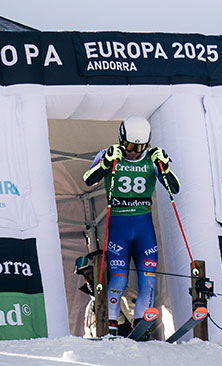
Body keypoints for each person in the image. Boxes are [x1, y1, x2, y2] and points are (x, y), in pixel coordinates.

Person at [83, 115, 180, 336]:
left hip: (143, 228)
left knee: (148, 277)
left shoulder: (152, 158)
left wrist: (164, 167)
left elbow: (174, 188)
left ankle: (141, 323)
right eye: (129, 146)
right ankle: (110, 325)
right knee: (119, 278)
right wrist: (105, 163)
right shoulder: (110, 153)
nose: (134, 152)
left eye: (140, 147)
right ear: (121, 139)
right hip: (119, 228)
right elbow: (88, 179)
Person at [74, 253, 137, 337]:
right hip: (99, 345)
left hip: (120, 344)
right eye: (85, 276)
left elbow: (139, 326)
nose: (87, 279)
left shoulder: (121, 294)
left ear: (105, 272)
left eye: (90, 274)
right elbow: (88, 336)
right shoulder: (91, 304)